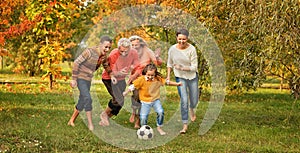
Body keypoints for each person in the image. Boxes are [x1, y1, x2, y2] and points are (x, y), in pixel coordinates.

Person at [68, 35, 113, 131]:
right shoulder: (89, 52)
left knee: (82, 100)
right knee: (88, 98)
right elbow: (76, 63)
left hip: (88, 79)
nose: (107, 49)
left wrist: (112, 75)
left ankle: (71, 120)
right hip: (80, 78)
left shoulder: (103, 56)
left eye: (109, 47)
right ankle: (90, 124)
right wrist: (74, 79)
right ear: (100, 45)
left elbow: (106, 66)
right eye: (106, 46)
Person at [123, 63, 181, 135]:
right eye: (148, 75)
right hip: (145, 101)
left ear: (155, 74)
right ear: (145, 73)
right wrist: (126, 92)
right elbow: (132, 86)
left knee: (160, 112)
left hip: (155, 100)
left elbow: (167, 82)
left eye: (152, 75)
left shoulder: (158, 79)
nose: (150, 77)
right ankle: (144, 129)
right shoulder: (141, 79)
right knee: (143, 117)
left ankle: (159, 127)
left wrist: (177, 84)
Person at [99, 38, 141, 126]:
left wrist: (133, 75)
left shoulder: (134, 53)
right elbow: (109, 69)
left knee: (120, 102)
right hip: (109, 78)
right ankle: (104, 115)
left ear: (130, 48)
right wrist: (118, 72)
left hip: (121, 79)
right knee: (118, 99)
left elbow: (138, 66)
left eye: (126, 51)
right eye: (122, 51)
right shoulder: (114, 54)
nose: (124, 54)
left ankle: (105, 119)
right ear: (118, 48)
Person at [166, 28, 199, 134]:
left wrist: (182, 67)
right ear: (176, 38)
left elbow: (194, 67)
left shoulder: (192, 49)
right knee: (184, 100)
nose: (181, 41)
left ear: (187, 38)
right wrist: (168, 77)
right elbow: (169, 63)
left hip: (192, 76)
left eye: (184, 39)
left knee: (194, 100)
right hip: (180, 77)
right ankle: (185, 125)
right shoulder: (172, 49)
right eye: (179, 39)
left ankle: (192, 108)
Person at [128, 35, 163, 128]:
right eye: (132, 45)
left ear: (141, 44)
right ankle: (133, 112)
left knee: (141, 99)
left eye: (136, 45)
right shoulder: (129, 52)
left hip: (146, 80)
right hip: (135, 79)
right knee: (135, 97)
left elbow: (157, 62)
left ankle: (138, 121)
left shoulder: (147, 50)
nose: (135, 47)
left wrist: (157, 57)